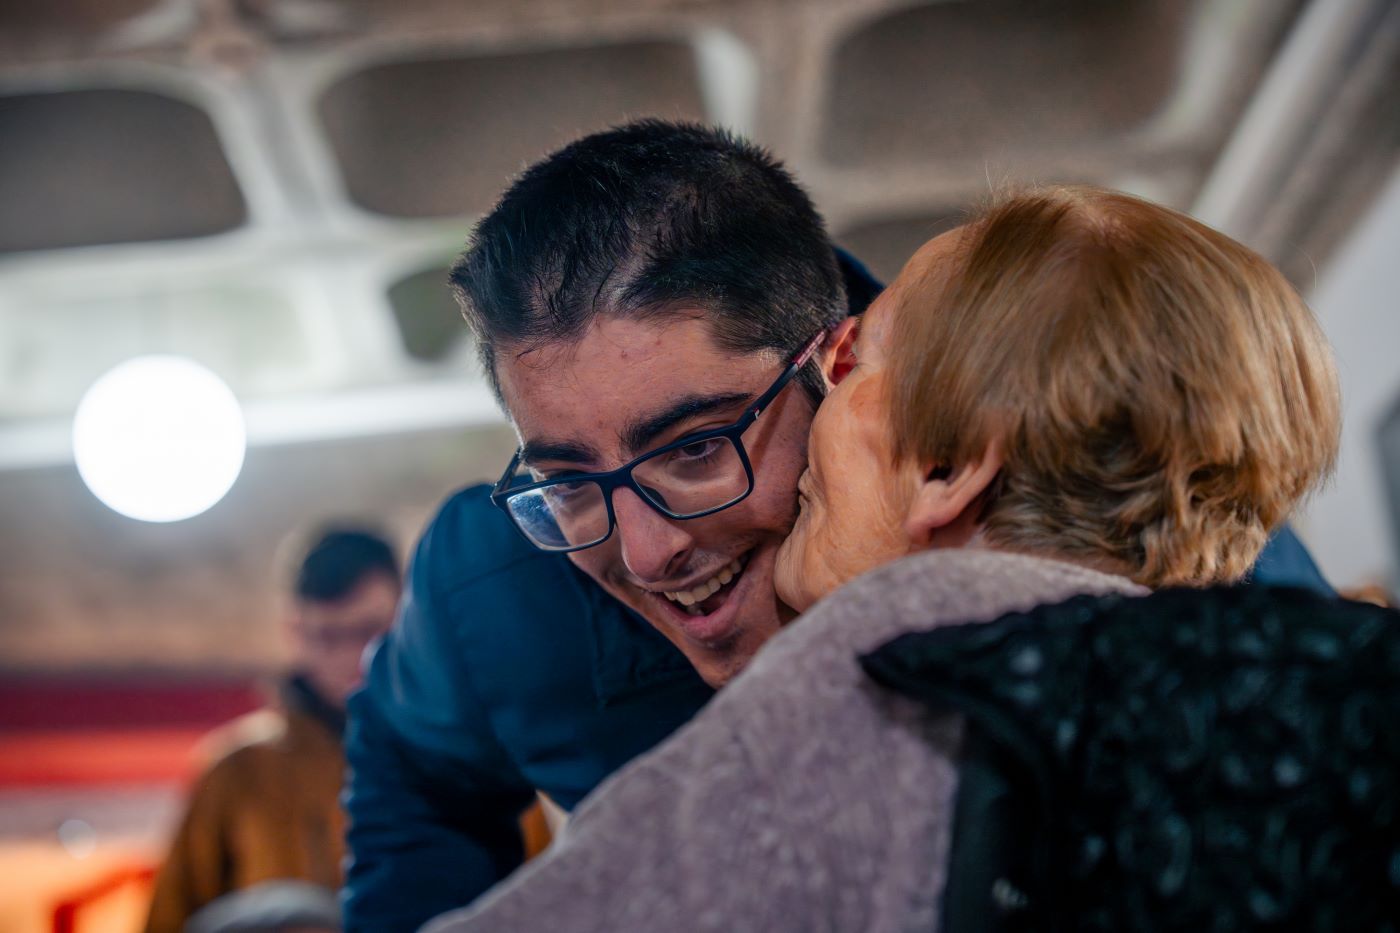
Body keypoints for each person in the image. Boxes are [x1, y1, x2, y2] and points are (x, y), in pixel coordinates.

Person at [343, 123, 1334, 931]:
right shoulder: (492, 581)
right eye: (566, 478)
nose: (645, 553)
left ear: (837, 366)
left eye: (693, 449)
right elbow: (409, 772)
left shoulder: (1127, 468)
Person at [144, 527, 401, 933]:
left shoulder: (465, 757)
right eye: (328, 635)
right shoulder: (238, 769)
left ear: (405, 619)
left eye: (369, 630)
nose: (353, 656)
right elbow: (170, 920)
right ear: (294, 630)